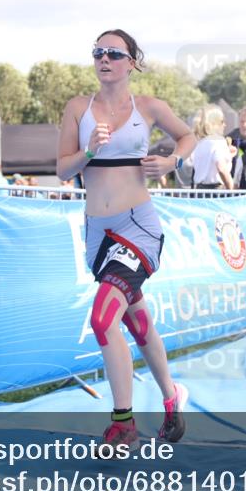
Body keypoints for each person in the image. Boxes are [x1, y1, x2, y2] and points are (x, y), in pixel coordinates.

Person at [57, 29, 196, 451]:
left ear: (132, 62)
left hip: (138, 227)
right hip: (98, 234)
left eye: (114, 54)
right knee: (137, 322)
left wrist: (172, 160)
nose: (104, 59)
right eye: (98, 52)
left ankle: (123, 424)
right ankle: (172, 396)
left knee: (103, 319)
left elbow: (189, 136)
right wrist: (89, 153)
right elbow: (64, 170)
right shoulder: (78, 109)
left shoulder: (149, 107)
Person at [190, 104, 233, 189]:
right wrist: (231, 188)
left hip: (200, 190)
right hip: (217, 191)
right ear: (214, 123)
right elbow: (221, 168)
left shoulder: (199, 143)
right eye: (222, 121)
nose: (225, 125)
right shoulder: (218, 141)